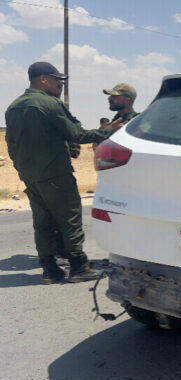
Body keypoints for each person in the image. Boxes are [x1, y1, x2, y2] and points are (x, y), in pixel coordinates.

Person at [4, 62, 123, 284]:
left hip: (31, 176)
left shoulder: (13, 107)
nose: (61, 84)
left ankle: (50, 270)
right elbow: (77, 134)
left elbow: (11, 143)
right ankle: (78, 266)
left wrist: (22, 169)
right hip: (55, 174)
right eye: (57, 79)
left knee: (42, 221)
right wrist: (109, 131)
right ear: (43, 79)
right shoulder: (49, 104)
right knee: (69, 218)